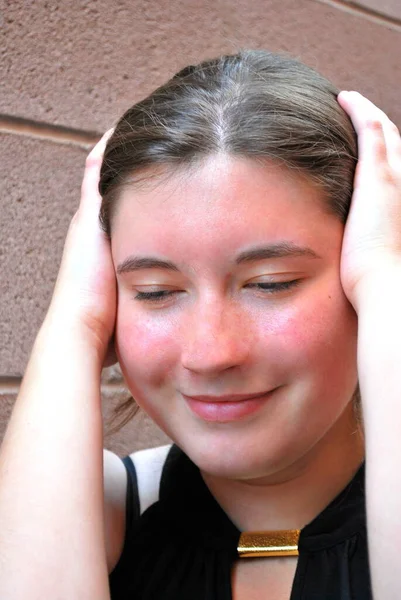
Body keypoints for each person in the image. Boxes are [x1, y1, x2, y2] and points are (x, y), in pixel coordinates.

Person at [0, 50, 400, 600]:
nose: (211, 352)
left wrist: (387, 277)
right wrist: (75, 322)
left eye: (271, 282)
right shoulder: (104, 509)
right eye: (155, 291)